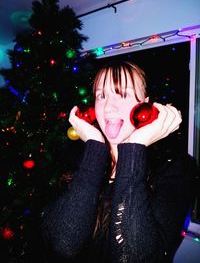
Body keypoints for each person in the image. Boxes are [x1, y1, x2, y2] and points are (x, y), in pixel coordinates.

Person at [41, 60, 197, 263]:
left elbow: (134, 257)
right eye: (101, 95)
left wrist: (135, 146)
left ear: (145, 103)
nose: (109, 108)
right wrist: (95, 147)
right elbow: (63, 244)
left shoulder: (174, 167)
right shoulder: (77, 158)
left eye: (124, 94)